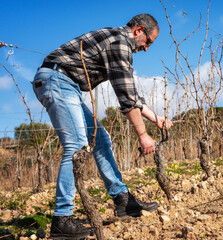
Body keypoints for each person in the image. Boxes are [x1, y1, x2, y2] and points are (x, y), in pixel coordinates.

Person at [31, 14, 172, 239]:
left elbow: (131, 94)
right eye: (149, 42)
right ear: (138, 30)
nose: (146, 48)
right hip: (57, 80)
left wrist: (156, 118)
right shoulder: (119, 44)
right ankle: (61, 219)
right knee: (76, 146)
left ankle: (123, 200)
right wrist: (143, 135)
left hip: (67, 84)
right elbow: (126, 98)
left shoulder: (119, 42)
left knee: (101, 139)